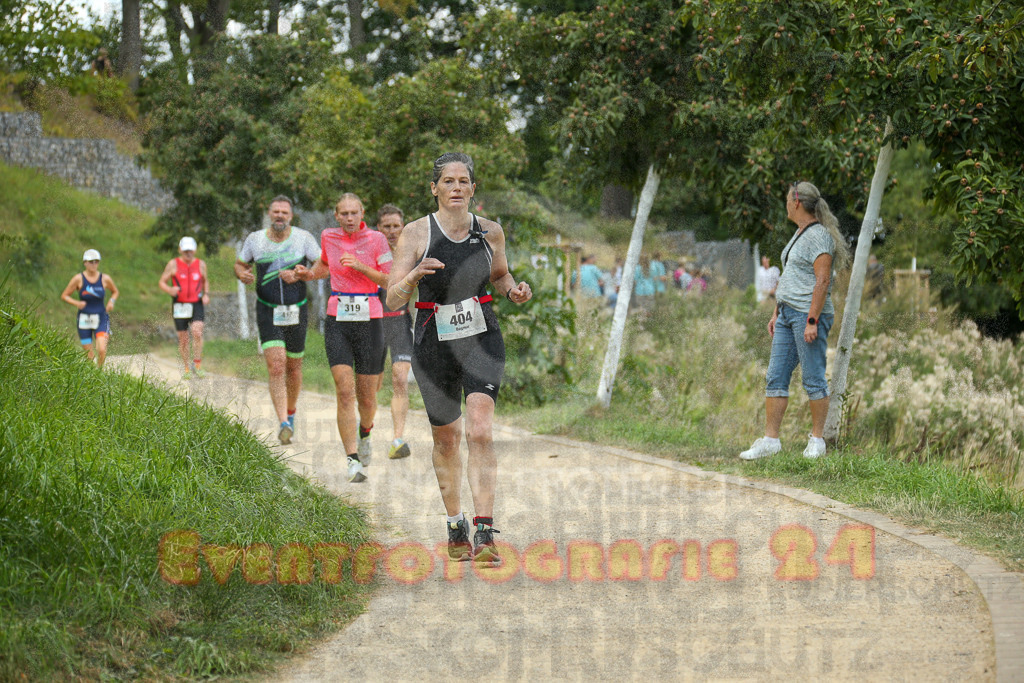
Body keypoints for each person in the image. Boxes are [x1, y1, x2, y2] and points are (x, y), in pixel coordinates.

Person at [385, 152, 532, 564]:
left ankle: (485, 532)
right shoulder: (414, 234)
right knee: (446, 439)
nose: (455, 188)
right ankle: (456, 524)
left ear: (472, 188)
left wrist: (513, 289)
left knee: (480, 431)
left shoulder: (490, 232)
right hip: (433, 340)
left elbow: (500, 274)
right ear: (434, 188)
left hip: (481, 334)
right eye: (447, 181)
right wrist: (412, 277)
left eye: (463, 181)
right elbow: (392, 296)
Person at [740, 180, 851, 461]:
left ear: (797, 202)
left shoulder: (819, 237)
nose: (786, 204)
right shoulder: (799, 233)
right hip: (788, 313)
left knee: (813, 378)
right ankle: (770, 441)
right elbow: (792, 275)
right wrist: (777, 311)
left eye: (788, 199)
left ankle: (817, 442)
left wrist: (812, 320)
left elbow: (822, 280)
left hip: (807, 314)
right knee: (775, 376)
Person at [294, 193, 391, 483]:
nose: (349, 218)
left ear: (363, 213)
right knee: (344, 390)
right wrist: (308, 274)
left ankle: (366, 431)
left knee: (368, 395)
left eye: (354, 213)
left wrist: (361, 266)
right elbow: (325, 266)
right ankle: (352, 460)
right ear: (336, 215)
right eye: (343, 213)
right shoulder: (328, 237)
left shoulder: (377, 240)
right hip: (338, 319)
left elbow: (389, 279)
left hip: (371, 319)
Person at [235, 195, 322, 445]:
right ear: (269, 214)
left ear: (290, 216)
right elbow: (240, 265)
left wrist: (304, 274)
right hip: (267, 310)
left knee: (294, 368)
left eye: (284, 212)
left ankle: (291, 414)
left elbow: (321, 264)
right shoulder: (255, 240)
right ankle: (283, 421)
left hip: (297, 310)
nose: (280, 216)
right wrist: (243, 275)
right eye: (276, 212)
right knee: (276, 365)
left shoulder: (303, 238)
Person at [374, 203, 413, 460]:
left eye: (395, 226)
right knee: (371, 385)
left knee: (399, 378)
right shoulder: (369, 250)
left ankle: (397, 438)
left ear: (403, 226)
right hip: (372, 323)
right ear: (379, 228)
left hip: (399, 322)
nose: (391, 231)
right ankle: (364, 427)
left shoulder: (411, 252)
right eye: (386, 226)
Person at [159, 237, 210, 379]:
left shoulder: (201, 264)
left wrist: (206, 294)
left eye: (190, 250)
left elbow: (205, 281)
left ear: (194, 250)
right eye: (185, 250)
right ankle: (186, 367)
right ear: (180, 250)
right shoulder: (173, 264)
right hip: (180, 304)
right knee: (183, 339)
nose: (188, 253)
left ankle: (197, 364)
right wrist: (169, 290)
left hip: (196, 303)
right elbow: (162, 282)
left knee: (197, 331)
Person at [60, 249, 119, 368]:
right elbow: (64, 295)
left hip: (101, 317)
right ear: (85, 263)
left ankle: (100, 372)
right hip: (84, 319)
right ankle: (93, 378)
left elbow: (115, 291)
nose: (94, 264)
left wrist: (111, 302)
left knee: (101, 349)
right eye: (91, 261)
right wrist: (76, 302)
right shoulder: (78, 279)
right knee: (89, 356)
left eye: (96, 261)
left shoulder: (105, 279)